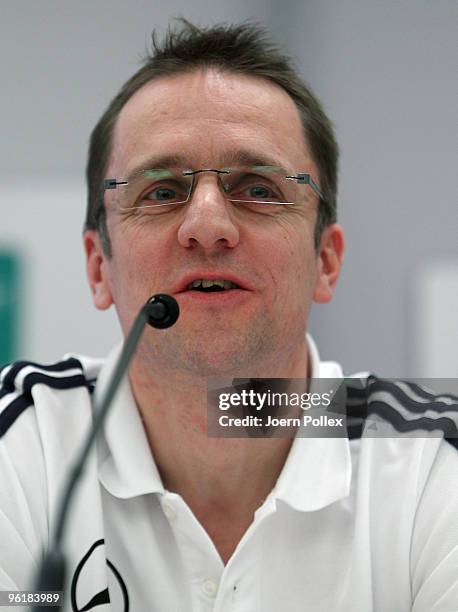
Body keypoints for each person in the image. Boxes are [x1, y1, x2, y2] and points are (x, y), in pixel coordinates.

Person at [0, 19, 457, 612]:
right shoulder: (20, 446)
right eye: (161, 192)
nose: (208, 226)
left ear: (325, 260)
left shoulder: (432, 465)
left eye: (259, 188)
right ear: (98, 266)